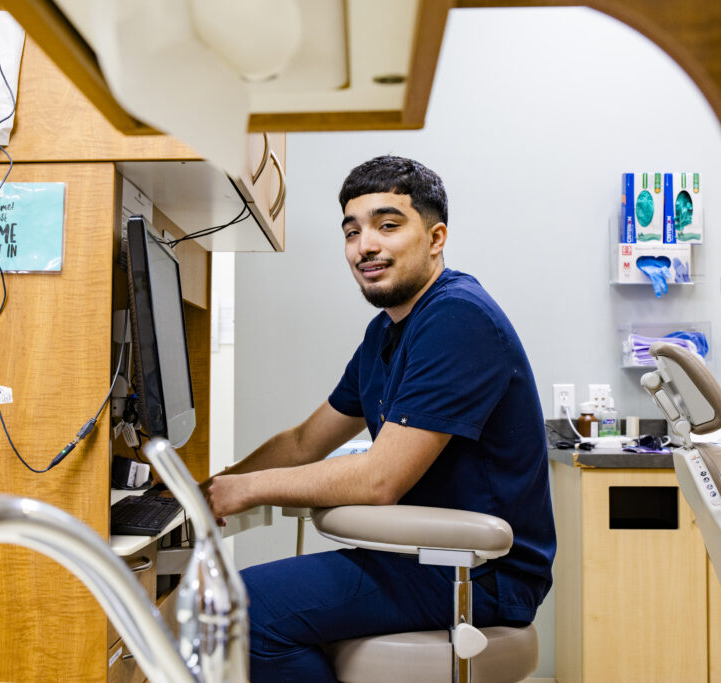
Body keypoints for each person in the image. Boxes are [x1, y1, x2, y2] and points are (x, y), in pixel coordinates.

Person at [203, 155, 556, 682]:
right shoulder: (385, 333)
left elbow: (379, 479)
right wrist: (215, 485)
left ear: (435, 238)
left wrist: (247, 489)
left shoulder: (457, 317)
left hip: (478, 573)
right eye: (352, 231)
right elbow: (304, 441)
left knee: (243, 610)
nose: (364, 245)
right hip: (424, 558)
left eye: (387, 226)